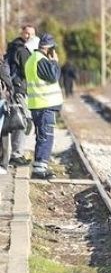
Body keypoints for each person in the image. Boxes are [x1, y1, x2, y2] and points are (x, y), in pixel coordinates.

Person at [25, 33, 63, 180]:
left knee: (42, 136)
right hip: (44, 105)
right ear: (50, 48)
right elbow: (54, 76)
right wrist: (54, 62)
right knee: (46, 137)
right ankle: (39, 170)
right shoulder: (41, 60)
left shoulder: (32, 60)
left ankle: (40, 167)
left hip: (38, 105)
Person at [5, 23, 36, 165]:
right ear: (22, 33)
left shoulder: (14, 47)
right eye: (26, 33)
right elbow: (28, 70)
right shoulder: (21, 49)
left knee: (18, 120)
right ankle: (16, 154)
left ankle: (17, 153)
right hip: (20, 89)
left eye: (31, 34)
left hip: (16, 88)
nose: (28, 36)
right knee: (22, 121)